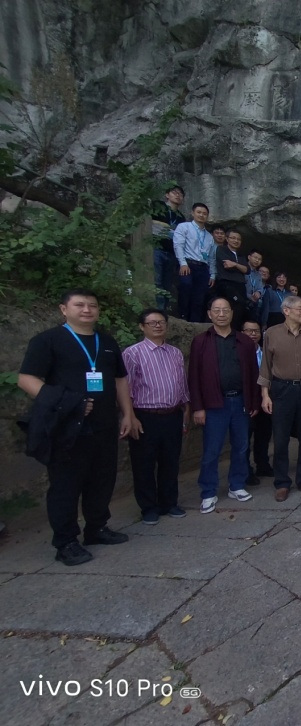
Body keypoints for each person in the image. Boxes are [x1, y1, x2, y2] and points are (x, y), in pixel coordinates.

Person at [18, 289, 135, 566]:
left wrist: (127, 414)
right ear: (64, 309)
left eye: (92, 305)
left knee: (102, 479)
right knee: (65, 485)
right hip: (67, 428)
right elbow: (27, 379)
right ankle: (66, 542)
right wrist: (68, 403)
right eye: (79, 305)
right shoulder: (48, 340)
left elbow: (120, 380)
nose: (86, 310)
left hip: (104, 424)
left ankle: (97, 528)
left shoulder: (107, 342)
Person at [188, 297, 260, 513]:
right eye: (217, 310)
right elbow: (193, 376)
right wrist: (198, 407)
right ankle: (208, 491)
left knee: (241, 446)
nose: (221, 314)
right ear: (209, 314)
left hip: (240, 401)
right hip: (214, 404)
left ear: (231, 313)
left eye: (225, 310)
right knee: (212, 449)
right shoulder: (201, 341)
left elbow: (253, 374)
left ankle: (236, 485)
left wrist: (253, 401)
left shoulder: (244, 341)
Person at [122, 309, 190, 525]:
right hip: (145, 416)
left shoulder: (175, 353)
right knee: (144, 463)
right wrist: (130, 416)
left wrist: (186, 409)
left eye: (161, 322)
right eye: (152, 323)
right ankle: (149, 507)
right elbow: (125, 388)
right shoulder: (132, 353)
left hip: (172, 414)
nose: (158, 326)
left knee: (170, 461)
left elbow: (181, 383)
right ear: (142, 327)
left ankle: (169, 502)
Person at [259, 296, 301, 502]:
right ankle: (282, 482)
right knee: (280, 438)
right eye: (300, 309)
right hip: (282, 390)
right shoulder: (272, 334)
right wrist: (265, 395)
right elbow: (266, 366)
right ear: (286, 311)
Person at [173, 203, 216, 323]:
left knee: (200, 296)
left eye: (204, 214)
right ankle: (182, 317)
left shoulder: (209, 236)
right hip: (188, 263)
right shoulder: (184, 227)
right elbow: (178, 245)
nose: (201, 215)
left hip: (203, 267)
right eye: (199, 212)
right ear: (193, 213)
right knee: (186, 286)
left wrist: (213, 274)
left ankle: (195, 322)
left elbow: (211, 257)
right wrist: (183, 263)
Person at [242, 318, 273, 480]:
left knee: (264, 435)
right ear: (242, 333)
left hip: (266, 401)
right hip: (246, 402)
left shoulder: (265, 353)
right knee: (245, 438)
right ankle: (245, 470)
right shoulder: (238, 353)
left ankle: (262, 464)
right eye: (249, 331)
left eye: (256, 331)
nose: (253, 334)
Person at [151, 184, 185, 312]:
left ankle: (163, 311)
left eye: (180, 194)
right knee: (157, 280)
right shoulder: (158, 206)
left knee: (167, 283)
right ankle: (158, 310)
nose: (178, 195)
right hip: (157, 248)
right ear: (167, 195)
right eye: (174, 192)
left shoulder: (181, 217)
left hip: (172, 252)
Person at [214, 228, 249, 331]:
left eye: (238, 239)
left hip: (240, 285)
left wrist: (235, 264)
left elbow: (247, 270)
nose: (236, 241)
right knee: (231, 307)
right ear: (227, 239)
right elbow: (226, 265)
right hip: (227, 284)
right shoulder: (221, 249)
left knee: (241, 309)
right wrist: (239, 267)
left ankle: (235, 332)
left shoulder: (241, 255)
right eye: (233, 238)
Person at [245, 249, 266, 321]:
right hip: (242, 300)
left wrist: (259, 292)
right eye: (255, 257)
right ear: (249, 257)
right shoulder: (242, 269)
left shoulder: (258, 275)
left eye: (259, 259)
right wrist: (249, 296)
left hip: (253, 304)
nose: (257, 260)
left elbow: (260, 288)